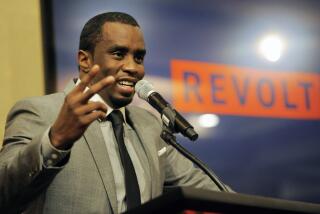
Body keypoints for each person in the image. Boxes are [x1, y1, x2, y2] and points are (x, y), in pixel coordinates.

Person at [0, 12, 231, 214]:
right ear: (85, 60)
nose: (133, 67)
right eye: (119, 54)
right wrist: (56, 140)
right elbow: (4, 194)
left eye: (138, 57)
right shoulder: (39, 111)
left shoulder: (148, 125)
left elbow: (208, 190)